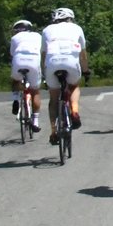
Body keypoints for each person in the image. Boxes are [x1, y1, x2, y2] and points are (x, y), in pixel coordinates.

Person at [41, 7, 90, 145]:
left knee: (54, 98)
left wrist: (44, 73)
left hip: (51, 63)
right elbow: (83, 54)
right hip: (71, 62)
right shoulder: (77, 28)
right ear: (71, 18)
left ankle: (53, 131)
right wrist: (86, 70)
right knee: (74, 86)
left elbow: (43, 54)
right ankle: (74, 111)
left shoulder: (46, 30)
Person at [7, 19, 42, 134]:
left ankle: (16, 99)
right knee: (35, 91)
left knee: (15, 80)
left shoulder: (14, 38)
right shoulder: (37, 36)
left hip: (19, 60)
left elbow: (12, 55)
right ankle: (35, 121)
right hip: (33, 61)